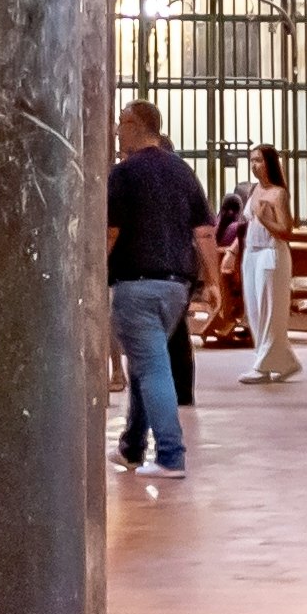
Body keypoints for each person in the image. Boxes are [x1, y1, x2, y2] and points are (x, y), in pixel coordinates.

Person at [104, 98, 206, 477]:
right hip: (176, 287)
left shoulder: (124, 174)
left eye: (120, 123)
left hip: (137, 284)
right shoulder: (182, 171)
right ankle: (131, 447)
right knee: (149, 365)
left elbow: (111, 231)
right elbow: (205, 232)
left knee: (152, 368)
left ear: (134, 125)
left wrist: (94, 270)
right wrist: (212, 284)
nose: (116, 131)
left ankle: (169, 455)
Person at [237, 143, 302, 387]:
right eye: (252, 160)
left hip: (271, 254)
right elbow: (247, 224)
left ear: (270, 163)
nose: (255, 165)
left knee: (269, 310)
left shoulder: (279, 193)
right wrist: (234, 251)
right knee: (254, 310)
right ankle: (284, 361)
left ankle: (262, 366)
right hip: (252, 253)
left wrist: (265, 219)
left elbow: (286, 231)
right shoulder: (254, 190)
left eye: (259, 160)